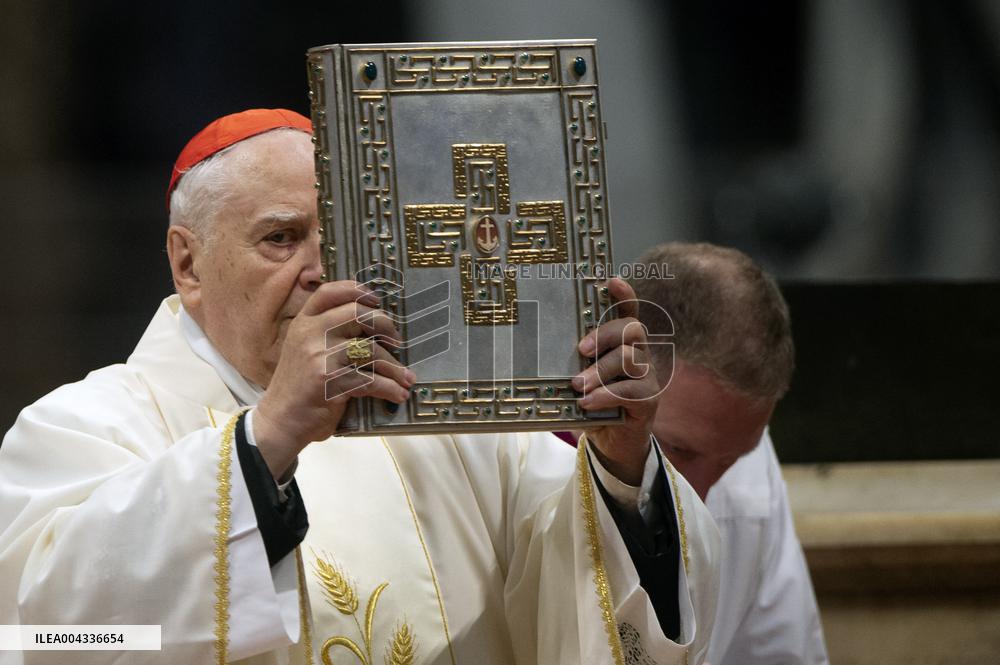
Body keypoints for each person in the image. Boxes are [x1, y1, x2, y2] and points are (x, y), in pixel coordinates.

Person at [0, 110, 721, 665]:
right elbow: (47, 631)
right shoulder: (81, 431)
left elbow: (598, 611)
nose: (321, 270)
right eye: (280, 238)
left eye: (339, 237)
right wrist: (270, 435)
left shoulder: (453, 423)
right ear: (188, 264)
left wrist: (625, 466)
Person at [630, 242, 829, 665]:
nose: (699, 494)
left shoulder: (746, 456)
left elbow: (779, 653)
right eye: (678, 450)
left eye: (729, 461)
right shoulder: (513, 463)